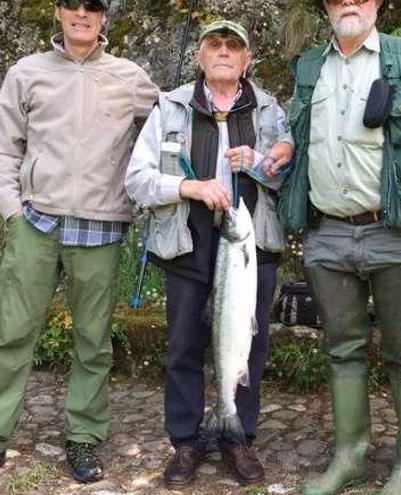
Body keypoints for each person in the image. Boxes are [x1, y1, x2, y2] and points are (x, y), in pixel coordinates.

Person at [0, 0, 159, 485]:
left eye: (93, 6)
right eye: (72, 4)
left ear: (105, 18)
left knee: (93, 342)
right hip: (35, 224)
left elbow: (171, 124)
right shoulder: (27, 71)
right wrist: (12, 212)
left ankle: (83, 437)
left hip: (101, 228)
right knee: (13, 336)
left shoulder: (130, 76)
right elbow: (4, 145)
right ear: (58, 13)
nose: (82, 12)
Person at [266, 1, 401, 494]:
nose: (349, 3)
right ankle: (350, 456)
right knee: (341, 350)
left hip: (397, 229)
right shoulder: (310, 65)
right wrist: (288, 145)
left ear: (377, 3)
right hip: (330, 232)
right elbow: (299, 130)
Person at [124, 19, 291, 487]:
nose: (223, 51)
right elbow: (137, 180)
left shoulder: (269, 111)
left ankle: (237, 437)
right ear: (200, 57)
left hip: (248, 245)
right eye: (213, 44)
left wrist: (258, 164)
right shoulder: (170, 108)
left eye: (233, 45)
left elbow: (290, 174)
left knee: (249, 342)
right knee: (183, 344)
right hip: (187, 242)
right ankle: (186, 440)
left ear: (246, 60)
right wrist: (188, 186)